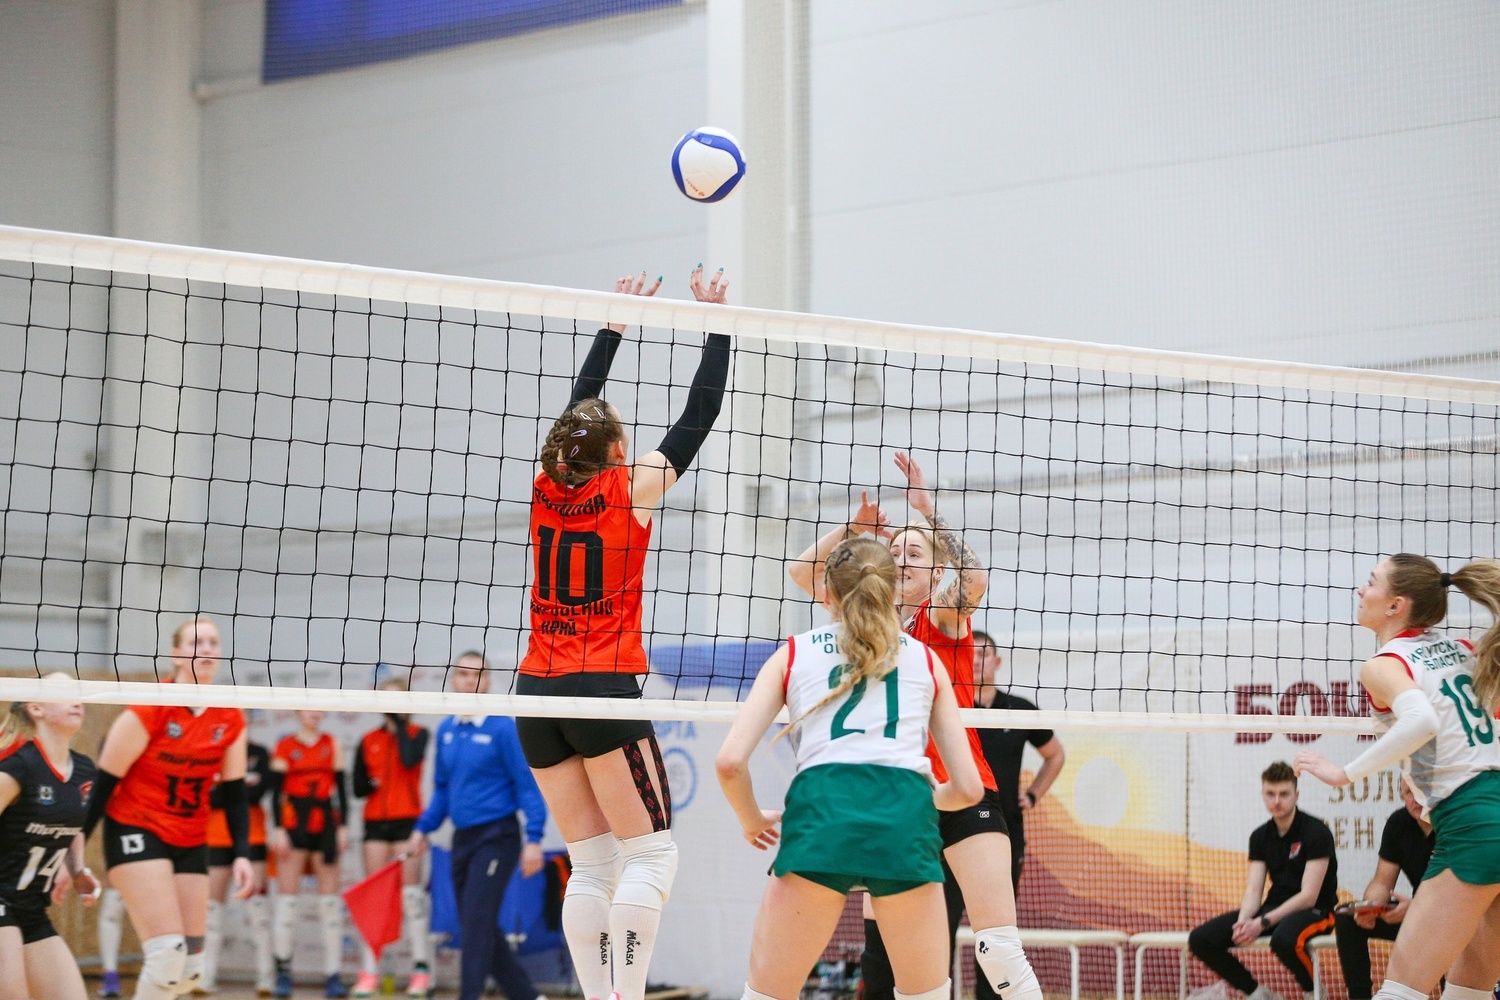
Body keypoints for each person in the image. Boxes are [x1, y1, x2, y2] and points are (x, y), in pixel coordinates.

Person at [512, 267, 731, 1000]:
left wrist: (611, 326)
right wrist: (718, 325)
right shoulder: (629, 489)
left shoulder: (545, 487)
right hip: (599, 684)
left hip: (534, 690)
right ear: (614, 454)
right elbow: (699, 417)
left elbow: (576, 415)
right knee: (651, 855)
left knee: (592, 863)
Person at [788, 454, 1042, 1000]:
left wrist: (928, 511)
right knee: (888, 962)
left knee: (999, 949)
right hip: (898, 799)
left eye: (916, 553)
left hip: (964, 789)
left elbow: (974, 579)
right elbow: (802, 573)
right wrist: (854, 529)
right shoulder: (865, 623)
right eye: (896, 551)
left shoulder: (941, 617)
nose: (903, 559)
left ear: (934, 572)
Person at [716, 536, 984, 1000]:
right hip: (904, 819)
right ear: (889, 589)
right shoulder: (926, 659)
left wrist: (752, 820)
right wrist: (925, 798)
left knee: (767, 995)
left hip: (822, 812)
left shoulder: (794, 652)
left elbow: (729, 762)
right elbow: (967, 789)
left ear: (826, 595)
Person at [1295, 554, 1500, 1000]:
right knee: (1469, 993)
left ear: (1395, 605)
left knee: (1400, 991)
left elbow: (1421, 721)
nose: (1360, 590)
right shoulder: (1465, 650)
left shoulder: (1384, 663)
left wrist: (1342, 774)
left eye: (1371, 582)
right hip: (1490, 810)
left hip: (1473, 823)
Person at [83, 616, 255, 1000]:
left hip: (190, 837)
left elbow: (234, 794)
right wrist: (75, 852)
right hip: (136, 827)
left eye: (213, 643)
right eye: (197, 643)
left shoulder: (229, 714)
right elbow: (104, 783)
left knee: (190, 969)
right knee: (167, 955)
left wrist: (242, 854)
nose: (207, 649)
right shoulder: (152, 706)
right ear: (176, 655)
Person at [402, 653, 546, 1000]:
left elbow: (527, 786)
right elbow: (442, 789)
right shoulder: (447, 730)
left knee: (477, 920)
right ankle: (528, 996)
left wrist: (534, 838)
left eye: (478, 674)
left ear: (488, 681)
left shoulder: (502, 727)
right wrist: (422, 829)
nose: (470, 680)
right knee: (474, 922)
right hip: (463, 838)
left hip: (498, 836)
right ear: (454, 680)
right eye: (464, 674)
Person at [1187, 761, 1338, 1000]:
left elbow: (1308, 897)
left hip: (1317, 911)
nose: (1276, 801)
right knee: (1200, 939)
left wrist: (1263, 922)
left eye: (1284, 794)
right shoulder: (1260, 836)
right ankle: (1258, 994)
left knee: (1283, 940)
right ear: (1262, 794)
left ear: (1296, 795)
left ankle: (1315, 993)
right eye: (1270, 794)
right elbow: (1253, 890)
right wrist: (1244, 921)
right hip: (1274, 910)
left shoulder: (1316, 832)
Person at [0, 676, 102, 1000]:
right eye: (65, 694)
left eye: (78, 694)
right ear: (36, 709)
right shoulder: (19, 767)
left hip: (31, 907)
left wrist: (78, 869)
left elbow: (72, 826)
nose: (77, 701)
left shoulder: (84, 770)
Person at [352, 681, 431, 999]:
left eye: (398, 698)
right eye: (387, 698)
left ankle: (421, 970)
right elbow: (357, 786)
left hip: (407, 821)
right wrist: (370, 783)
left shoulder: (418, 734)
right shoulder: (368, 739)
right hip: (375, 824)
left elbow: (410, 760)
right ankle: (369, 971)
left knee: (411, 897)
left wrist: (399, 723)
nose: (392, 704)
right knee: (375, 897)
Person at [973, 630, 1066, 894]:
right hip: (956, 820)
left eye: (983, 654)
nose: (976, 660)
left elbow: (1055, 755)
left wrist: (1033, 795)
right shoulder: (950, 708)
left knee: (1002, 909)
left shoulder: (1019, 709)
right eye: (968, 654)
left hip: (1005, 823)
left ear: (997, 662)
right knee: (948, 912)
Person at [269, 711, 349, 999]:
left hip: (324, 824)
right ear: (298, 712)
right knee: (287, 902)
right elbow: (275, 792)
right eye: (308, 709)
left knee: (329, 904)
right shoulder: (285, 745)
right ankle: (283, 972)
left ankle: (333, 974)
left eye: (318, 709)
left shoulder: (331, 743)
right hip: (294, 824)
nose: (314, 714)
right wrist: (279, 829)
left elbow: (341, 790)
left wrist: (343, 827)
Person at [1334, 780, 1434, 1000]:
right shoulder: (1398, 823)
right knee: (1347, 919)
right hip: (1416, 916)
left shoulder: (1454, 823)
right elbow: (1381, 882)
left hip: (1453, 915)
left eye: (1419, 791)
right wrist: (1371, 908)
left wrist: (1416, 908)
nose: (1414, 799)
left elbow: (1462, 892)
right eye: (1408, 792)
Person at [200, 738, 273, 995]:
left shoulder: (258, 752)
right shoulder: (207, 750)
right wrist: (236, 792)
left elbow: (257, 793)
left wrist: (225, 791)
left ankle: (266, 976)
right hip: (215, 836)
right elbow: (204, 795)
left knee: (258, 910)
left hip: (253, 837)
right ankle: (206, 975)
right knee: (211, 910)